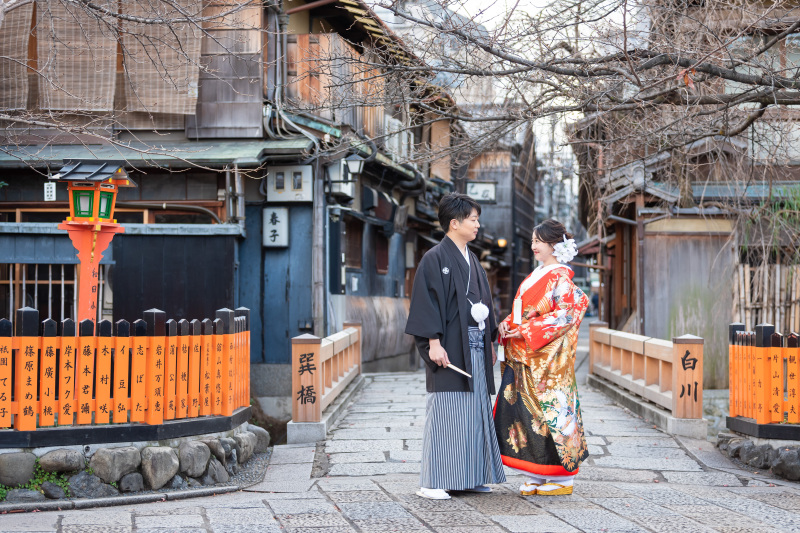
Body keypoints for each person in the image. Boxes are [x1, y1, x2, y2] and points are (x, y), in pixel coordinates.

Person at [405, 193, 506, 500]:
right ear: (454, 223)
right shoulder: (435, 258)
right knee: (447, 410)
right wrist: (433, 342)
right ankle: (433, 481)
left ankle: (470, 476)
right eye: (473, 219)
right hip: (449, 346)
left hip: (474, 347)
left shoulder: (472, 260)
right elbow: (427, 302)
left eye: (477, 219)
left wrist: (493, 331)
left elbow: (484, 303)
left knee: (474, 412)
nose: (478, 224)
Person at [494, 219, 590, 496]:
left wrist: (523, 329)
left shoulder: (560, 276)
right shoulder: (539, 273)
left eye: (538, 241)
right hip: (525, 353)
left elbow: (567, 315)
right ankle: (535, 472)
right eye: (533, 241)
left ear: (554, 245)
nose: (533, 245)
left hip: (547, 359)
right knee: (524, 414)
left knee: (551, 414)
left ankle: (562, 477)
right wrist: (508, 323)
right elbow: (524, 311)